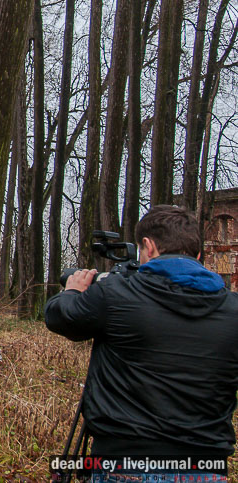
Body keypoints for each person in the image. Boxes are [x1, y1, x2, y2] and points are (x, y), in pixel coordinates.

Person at [45, 205, 238, 482]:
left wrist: (72, 291)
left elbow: (60, 318)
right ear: (197, 255)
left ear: (148, 246)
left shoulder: (115, 295)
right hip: (205, 467)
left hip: (124, 463)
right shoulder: (232, 310)